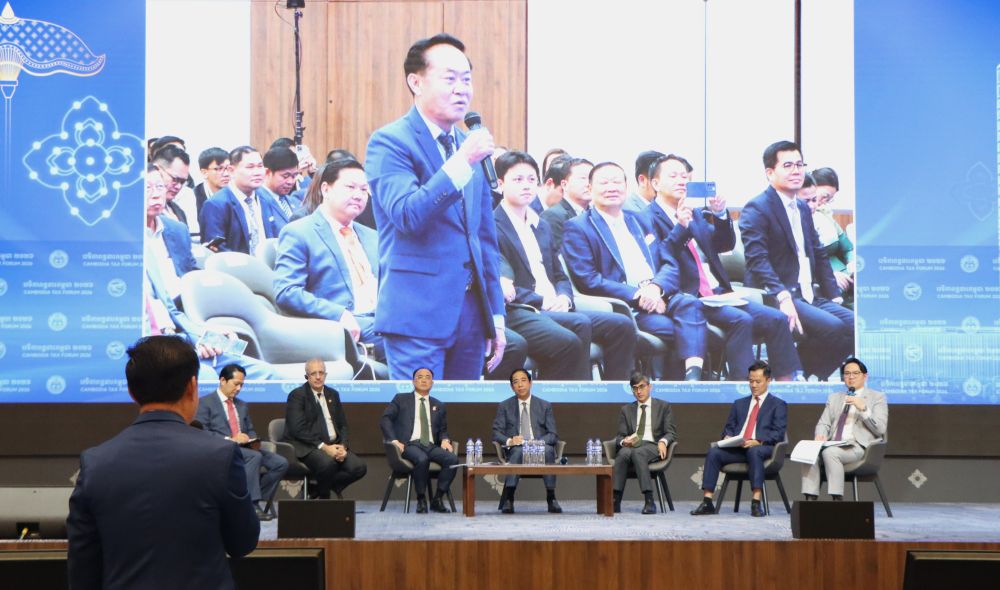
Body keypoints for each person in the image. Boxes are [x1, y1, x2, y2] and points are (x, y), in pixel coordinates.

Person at [365, 33, 506, 380]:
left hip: (471, 316)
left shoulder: (467, 145)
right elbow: (407, 214)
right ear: (416, 82)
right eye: (450, 79)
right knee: (420, 413)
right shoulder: (390, 142)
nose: (462, 90)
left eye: (467, 80)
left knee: (464, 413)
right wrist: (462, 162)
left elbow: (483, 238)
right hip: (417, 314)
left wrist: (496, 316)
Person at [67, 336, 259, 590]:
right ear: (192, 386)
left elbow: (82, 566)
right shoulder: (220, 455)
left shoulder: (95, 462)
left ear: (131, 392)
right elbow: (242, 542)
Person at [642, 153, 802, 380]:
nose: (681, 181)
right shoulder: (646, 218)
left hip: (716, 293)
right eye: (673, 176)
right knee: (741, 320)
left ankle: (786, 385)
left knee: (776, 319)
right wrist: (680, 227)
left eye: (685, 176)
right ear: (656, 183)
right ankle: (742, 386)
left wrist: (719, 215)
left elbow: (723, 245)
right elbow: (658, 258)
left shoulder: (694, 213)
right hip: (685, 296)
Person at [494, 150, 636, 380]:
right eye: (517, 180)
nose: (526, 186)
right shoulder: (493, 225)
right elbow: (499, 279)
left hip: (555, 305)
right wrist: (543, 301)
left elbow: (560, 274)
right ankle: (570, 398)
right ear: (501, 184)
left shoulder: (541, 225)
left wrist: (564, 297)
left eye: (531, 179)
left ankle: (614, 396)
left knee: (621, 325)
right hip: (522, 307)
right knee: (577, 326)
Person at [562, 162, 707, 380]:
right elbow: (589, 279)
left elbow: (668, 261)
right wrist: (640, 296)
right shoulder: (579, 227)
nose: (612, 187)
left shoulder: (639, 219)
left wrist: (656, 288)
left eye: (617, 182)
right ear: (590, 189)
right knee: (684, 331)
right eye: (604, 183)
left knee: (691, 304)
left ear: (626, 186)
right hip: (628, 306)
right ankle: (682, 387)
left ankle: (692, 377)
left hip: (658, 294)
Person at [739, 141, 854, 380]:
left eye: (800, 165)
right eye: (788, 165)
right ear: (770, 173)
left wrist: (834, 296)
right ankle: (793, 375)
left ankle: (810, 376)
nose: (796, 171)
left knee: (855, 326)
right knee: (833, 328)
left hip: (807, 293)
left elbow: (818, 252)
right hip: (775, 294)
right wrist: (782, 296)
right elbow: (758, 260)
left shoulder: (801, 207)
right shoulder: (757, 208)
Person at [274, 158, 384, 358]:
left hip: (384, 317)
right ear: (326, 189)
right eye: (350, 187)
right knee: (413, 340)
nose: (358, 195)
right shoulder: (299, 232)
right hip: (345, 323)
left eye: (363, 189)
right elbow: (287, 292)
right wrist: (338, 314)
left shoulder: (372, 236)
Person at [691, 360, 788, 517]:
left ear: (768, 380)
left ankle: (756, 502)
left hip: (763, 448)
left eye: (758, 381)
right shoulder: (739, 404)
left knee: (754, 451)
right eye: (751, 381)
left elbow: (778, 432)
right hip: (739, 448)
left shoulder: (777, 404)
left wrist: (758, 441)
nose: (753, 385)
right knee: (714, 452)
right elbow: (729, 427)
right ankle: (707, 501)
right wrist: (728, 437)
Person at [196, 364, 289, 520]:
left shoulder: (242, 405)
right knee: (254, 457)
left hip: (245, 448)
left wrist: (251, 439)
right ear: (223, 380)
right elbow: (202, 432)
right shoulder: (205, 403)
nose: (239, 388)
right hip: (221, 449)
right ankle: (252, 505)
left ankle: (250, 498)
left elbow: (250, 429)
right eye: (236, 384)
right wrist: (231, 439)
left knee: (280, 463)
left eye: (242, 385)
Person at [802, 357, 887, 501]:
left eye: (855, 373)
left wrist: (864, 409)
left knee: (830, 453)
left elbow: (880, 429)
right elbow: (823, 423)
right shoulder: (834, 397)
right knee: (810, 452)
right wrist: (820, 435)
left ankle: (837, 499)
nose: (851, 377)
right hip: (833, 442)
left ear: (865, 376)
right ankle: (809, 500)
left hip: (857, 446)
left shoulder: (877, 397)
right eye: (847, 373)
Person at [283, 359, 368, 499]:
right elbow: (297, 429)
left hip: (334, 445)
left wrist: (343, 446)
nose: (318, 377)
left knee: (359, 468)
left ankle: (318, 489)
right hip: (309, 446)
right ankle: (325, 498)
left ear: (326, 375)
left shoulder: (333, 394)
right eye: (313, 373)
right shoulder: (297, 395)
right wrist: (324, 447)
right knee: (328, 463)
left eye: (321, 373)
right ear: (307, 376)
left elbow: (342, 425)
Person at [379, 367, 458, 513]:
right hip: (409, 444)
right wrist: (393, 440)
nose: (423, 380)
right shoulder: (401, 399)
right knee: (422, 459)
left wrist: (445, 439)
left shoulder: (439, 405)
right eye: (420, 377)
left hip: (430, 445)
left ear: (432, 383)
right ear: (413, 381)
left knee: (452, 460)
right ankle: (421, 499)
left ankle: (437, 499)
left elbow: (443, 429)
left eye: (427, 377)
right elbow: (386, 419)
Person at [491, 368, 563, 514]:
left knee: (548, 450)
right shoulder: (504, 406)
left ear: (530, 383)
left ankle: (551, 497)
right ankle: (509, 498)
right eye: (516, 382)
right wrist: (510, 440)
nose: (520, 385)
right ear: (512, 387)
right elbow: (496, 432)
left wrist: (536, 442)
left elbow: (553, 434)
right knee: (517, 452)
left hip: (539, 446)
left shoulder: (545, 405)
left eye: (523, 380)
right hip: (517, 448)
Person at [199, 145, 284, 256]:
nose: (257, 172)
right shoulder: (216, 204)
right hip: (235, 265)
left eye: (260, 166)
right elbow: (216, 248)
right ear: (231, 171)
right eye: (250, 167)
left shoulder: (266, 198)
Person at [612, 372, 677, 514]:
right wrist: (624, 441)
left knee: (638, 452)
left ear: (650, 387)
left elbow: (671, 432)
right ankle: (615, 500)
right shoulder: (626, 410)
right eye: (635, 388)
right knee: (622, 454)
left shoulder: (663, 406)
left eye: (642, 387)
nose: (639, 391)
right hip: (632, 446)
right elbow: (619, 437)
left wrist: (663, 441)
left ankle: (649, 500)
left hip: (653, 445)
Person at [144, 165, 196, 301]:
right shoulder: (121, 235)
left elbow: (190, 272)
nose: (156, 195)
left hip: (183, 303)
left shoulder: (178, 230)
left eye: (160, 187)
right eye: (147, 188)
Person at [808, 167, 855, 309]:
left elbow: (848, 248)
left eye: (829, 199)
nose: (824, 202)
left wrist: (853, 263)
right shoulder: (797, 219)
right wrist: (829, 275)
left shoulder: (826, 216)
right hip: (826, 282)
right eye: (824, 196)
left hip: (847, 275)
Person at [540, 157, 593, 251]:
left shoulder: (595, 214)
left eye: (591, 179)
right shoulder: (552, 216)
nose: (588, 184)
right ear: (564, 185)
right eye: (583, 178)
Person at [259, 146, 304, 225]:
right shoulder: (257, 201)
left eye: (294, 176)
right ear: (267, 172)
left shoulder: (296, 202)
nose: (290, 182)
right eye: (285, 176)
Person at [152, 144, 193, 228]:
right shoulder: (142, 208)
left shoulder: (179, 211)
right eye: (175, 179)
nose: (178, 187)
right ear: (157, 169)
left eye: (182, 182)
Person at [194, 147, 231, 220]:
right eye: (219, 169)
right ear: (204, 173)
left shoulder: (236, 193)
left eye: (228, 168)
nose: (226, 174)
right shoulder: (194, 197)